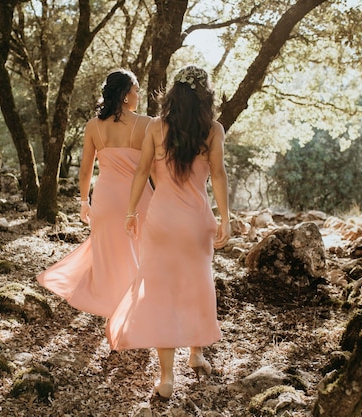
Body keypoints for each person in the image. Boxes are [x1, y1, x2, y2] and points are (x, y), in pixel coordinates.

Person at [105, 65, 230, 399]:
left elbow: (141, 171)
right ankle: (196, 353)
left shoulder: (157, 127)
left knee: (161, 293)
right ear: (205, 94)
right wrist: (226, 218)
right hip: (196, 222)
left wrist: (131, 211)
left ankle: (166, 378)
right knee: (197, 284)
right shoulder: (213, 130)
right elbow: (218, 175)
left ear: (173, 93)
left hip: (161, 220)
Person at [36, 69, 153, 318]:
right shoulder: (146, 124)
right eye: (135, 90)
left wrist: (83, 202)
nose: (139, 94)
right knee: (141, 252)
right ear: (124, 95)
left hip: (106, 198)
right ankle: (135, 309)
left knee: (109, 254)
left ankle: (110, 306)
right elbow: (155, 168)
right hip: (140, 199)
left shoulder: (93, 126)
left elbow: (85, 171)